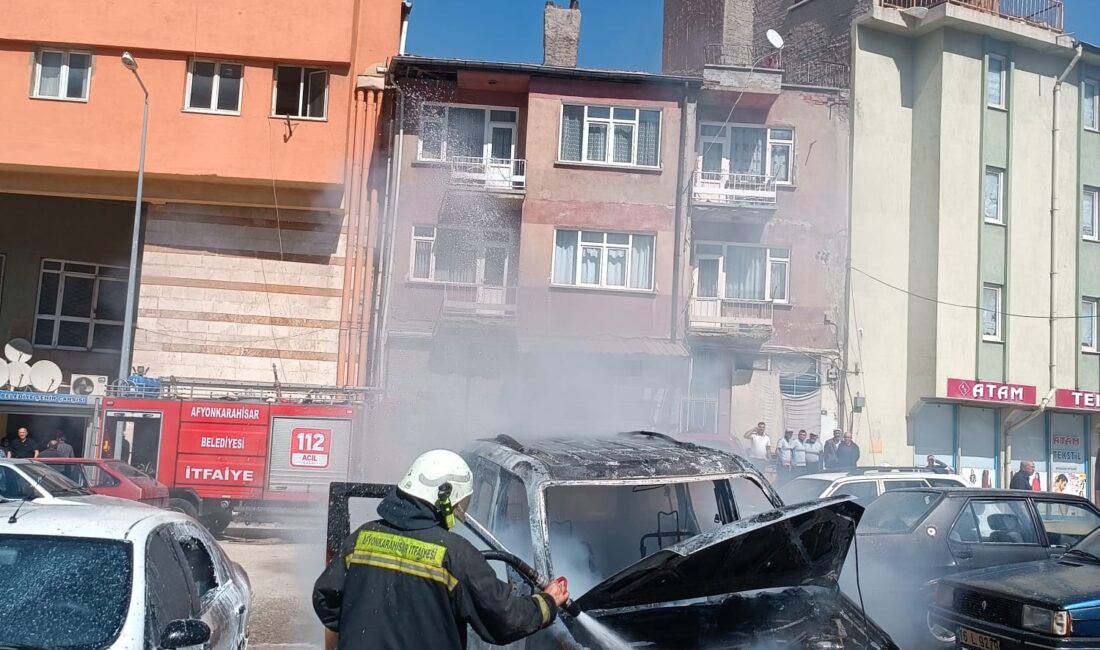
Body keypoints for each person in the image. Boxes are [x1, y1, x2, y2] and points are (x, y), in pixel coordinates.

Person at [313, 449, 569, 649]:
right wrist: (547, 602)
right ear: (445, 498)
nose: (460, 511)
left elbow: (326, 600)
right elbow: (504, 620)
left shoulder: (361, 538)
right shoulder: (455, 554)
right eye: (460, 501)